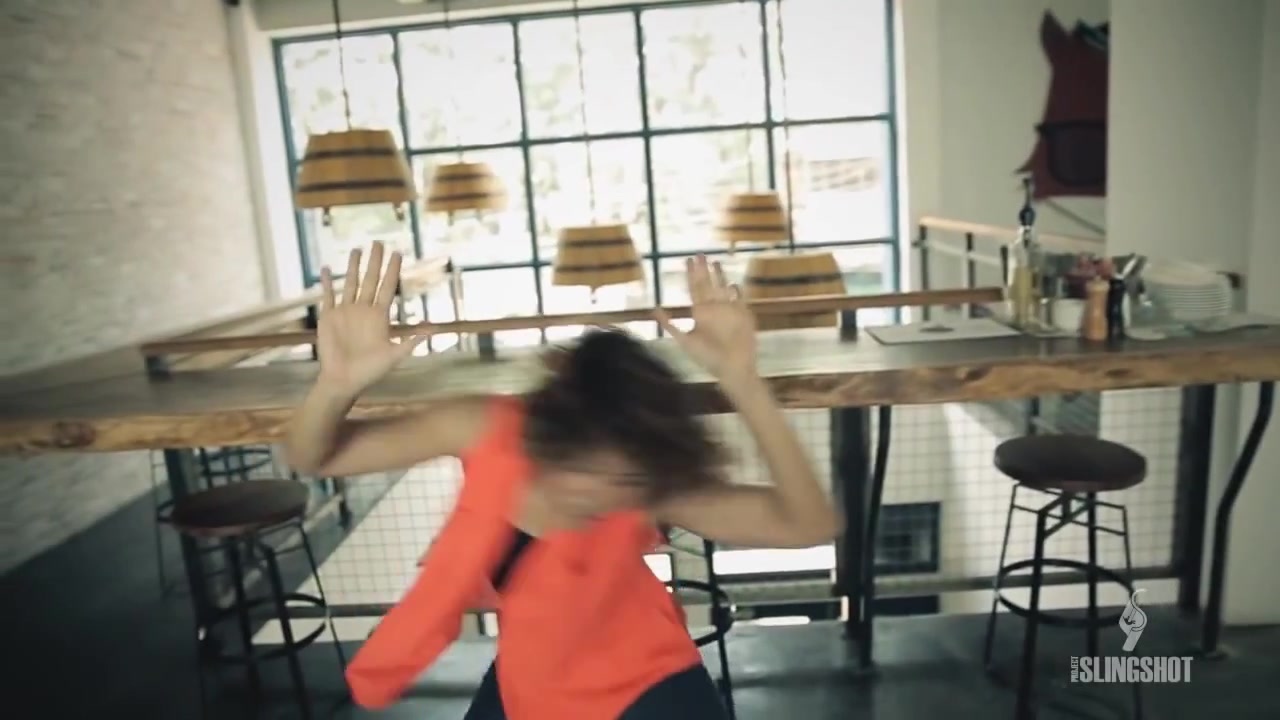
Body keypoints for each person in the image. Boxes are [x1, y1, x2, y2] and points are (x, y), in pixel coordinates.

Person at [284, 241, 842, 720]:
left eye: (624, 479)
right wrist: (337, 383)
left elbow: (808, 524)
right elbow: (314, 457)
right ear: (549, 431)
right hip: (533, 677)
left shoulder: (644, 486)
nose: (603, 494)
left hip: (648, 687)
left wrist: (742, 380)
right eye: (588, 468)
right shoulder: (482, 428)